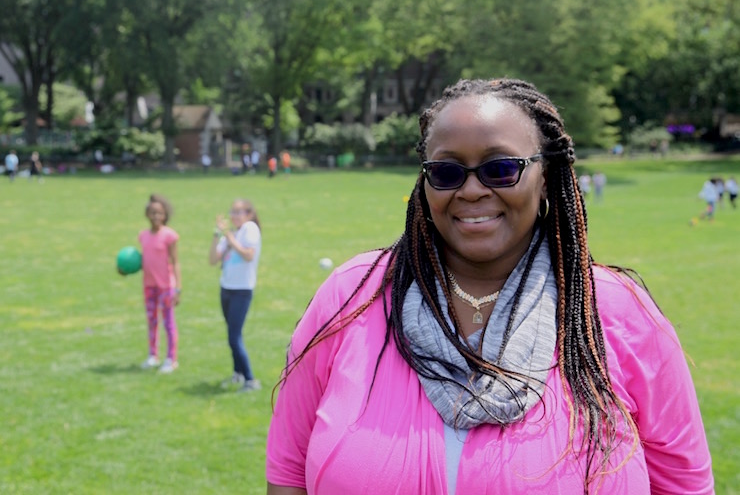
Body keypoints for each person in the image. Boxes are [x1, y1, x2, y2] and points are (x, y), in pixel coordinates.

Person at [266, 78, 713, 494]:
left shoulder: (617, 313)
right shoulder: (352, 297)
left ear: (546, 178)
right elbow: (287, 474)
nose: (472, 190)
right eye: (446, 172)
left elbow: (684, 485)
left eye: (501, 169)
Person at [209, 199, 262, 392]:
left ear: (248, 214)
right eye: (233, 212)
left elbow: (248, 255)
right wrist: (217, 234)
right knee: (232, 334)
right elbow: (213, 260)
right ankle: (237, 374)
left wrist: (230, 238)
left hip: (242, 290)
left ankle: (250, 380)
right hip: (227, 288)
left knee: (234, 337)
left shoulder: (250, 228)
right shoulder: (232, 234)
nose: (234, 215)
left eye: (239, 212)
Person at [137, 194, 182, 373]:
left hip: (166, 287)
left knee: (168, 323)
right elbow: (146, 260)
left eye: (160, 213)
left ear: (165, 215)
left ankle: (171, 359)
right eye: (153, 212)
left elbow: (176, 262)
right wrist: (125, 268)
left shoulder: (170, 236)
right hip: (149, 285)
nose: (156, 216)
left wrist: (178, 287)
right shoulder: (143, 236)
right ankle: (153, 355)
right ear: (147, 214)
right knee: (152, 321)